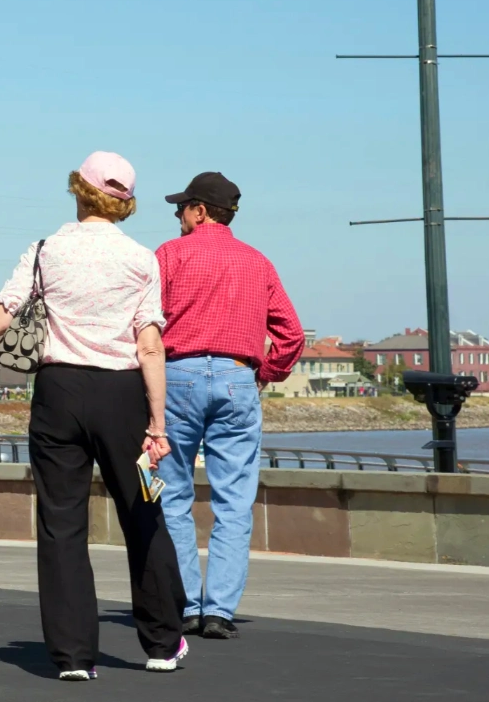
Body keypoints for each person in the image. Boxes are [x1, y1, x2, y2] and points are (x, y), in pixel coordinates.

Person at [0, 151, 187, 679]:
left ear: (79, 190)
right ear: (124, 204)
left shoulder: (45, 250)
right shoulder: (143, 259)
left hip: (57, 390)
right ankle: (163, 644)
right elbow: (149, 345)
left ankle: (74, 656)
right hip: (121, 393)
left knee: (60, 523)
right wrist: (158, 424)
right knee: (142, 510)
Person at [155, 172, 304, 640]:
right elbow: (291, 335)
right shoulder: (258, 262)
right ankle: (219, 610)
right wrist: (264, 374)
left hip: (177, 374)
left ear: (200, 211)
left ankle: (187, 606)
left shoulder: (169, 255)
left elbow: (142, 321)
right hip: (239, 377)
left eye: (182, 207)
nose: (178, 216)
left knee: (173, 497)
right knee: (234, 500)